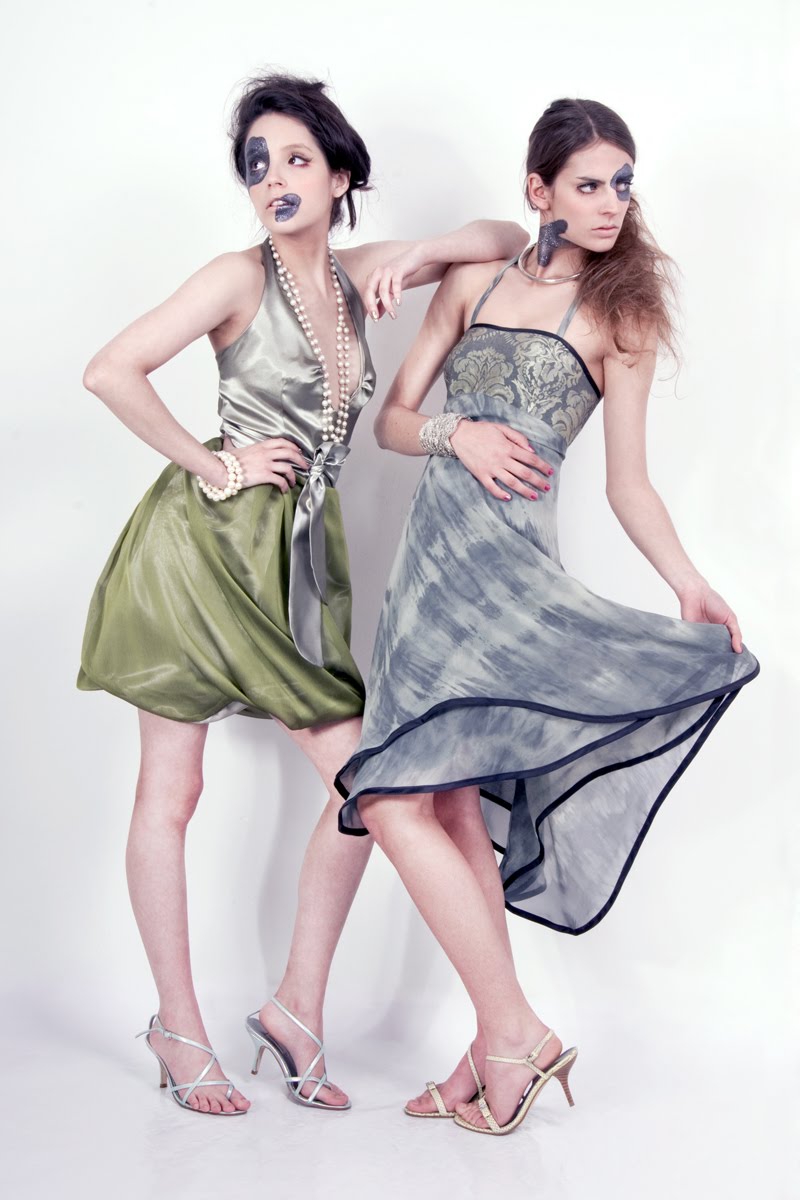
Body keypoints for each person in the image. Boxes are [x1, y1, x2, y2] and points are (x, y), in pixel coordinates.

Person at [78, 71, 527, 1116]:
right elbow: (110, 370)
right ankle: (178, 1025)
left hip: (296, 567)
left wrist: (420, 252)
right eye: (256, 165)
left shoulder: (356, 275)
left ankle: (295, 1007)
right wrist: (216, 462)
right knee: (173, 795)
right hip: (199, 556)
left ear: (338, 176)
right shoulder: (234, 278)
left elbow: (503, 238)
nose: (273, 179)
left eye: (294, 159)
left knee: (364, 786)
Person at [335, 98, 759, 1136]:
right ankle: (494, 1049)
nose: (612, 203)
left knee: (393, 804)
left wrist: (688, 583)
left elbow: (627, 485)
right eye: (588, 184)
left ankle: (513, 1035)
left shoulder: (621, 316)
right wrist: (459, 435)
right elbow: (393, 422)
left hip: (510, 581)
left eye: (622, 183)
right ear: (538, 190)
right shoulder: (477, 279)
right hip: (428, 578)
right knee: (438, 811)